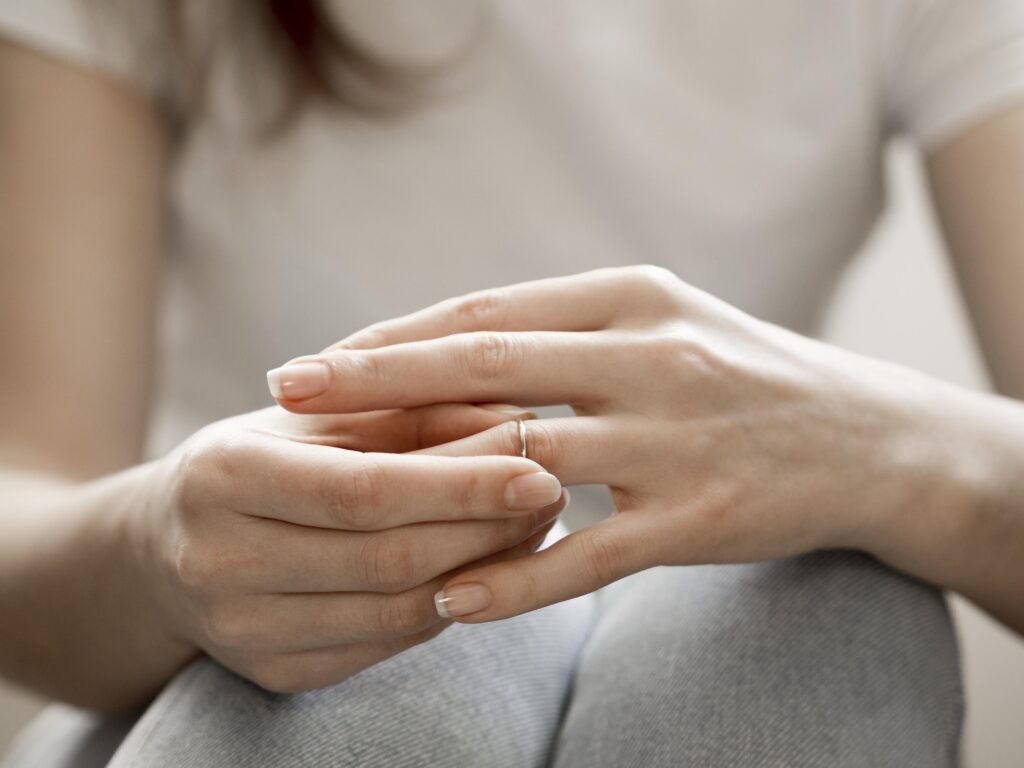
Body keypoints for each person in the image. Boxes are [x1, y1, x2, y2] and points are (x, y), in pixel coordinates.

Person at [1, 1, 1022, 765]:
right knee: (403, 654)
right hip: (217, 668)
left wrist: (896, 456)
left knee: (817, 601)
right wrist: (161, 546)